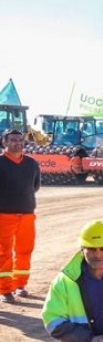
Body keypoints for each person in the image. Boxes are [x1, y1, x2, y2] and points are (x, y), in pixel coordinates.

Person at [0, 128, 40, 303]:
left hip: (27, 216)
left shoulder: (31, 164)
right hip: (4, 216)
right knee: (4, 253)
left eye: (20, 140)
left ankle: (20, 285)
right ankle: (5, 289)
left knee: (24, 251)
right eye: (13, 140)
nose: (18, 143)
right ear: (4, 143)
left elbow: (35, 186)